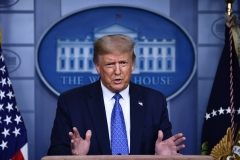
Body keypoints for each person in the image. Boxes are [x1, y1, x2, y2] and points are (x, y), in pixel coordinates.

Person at [48, 34, 186, 155]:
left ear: (132, 64)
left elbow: (167, 147)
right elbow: (55, 151)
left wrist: (160, 156)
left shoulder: (155, 101)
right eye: (110, 64)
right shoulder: (71, 102)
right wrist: (75, 155)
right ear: (97, 66)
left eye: (123, 63)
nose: (118, 71)